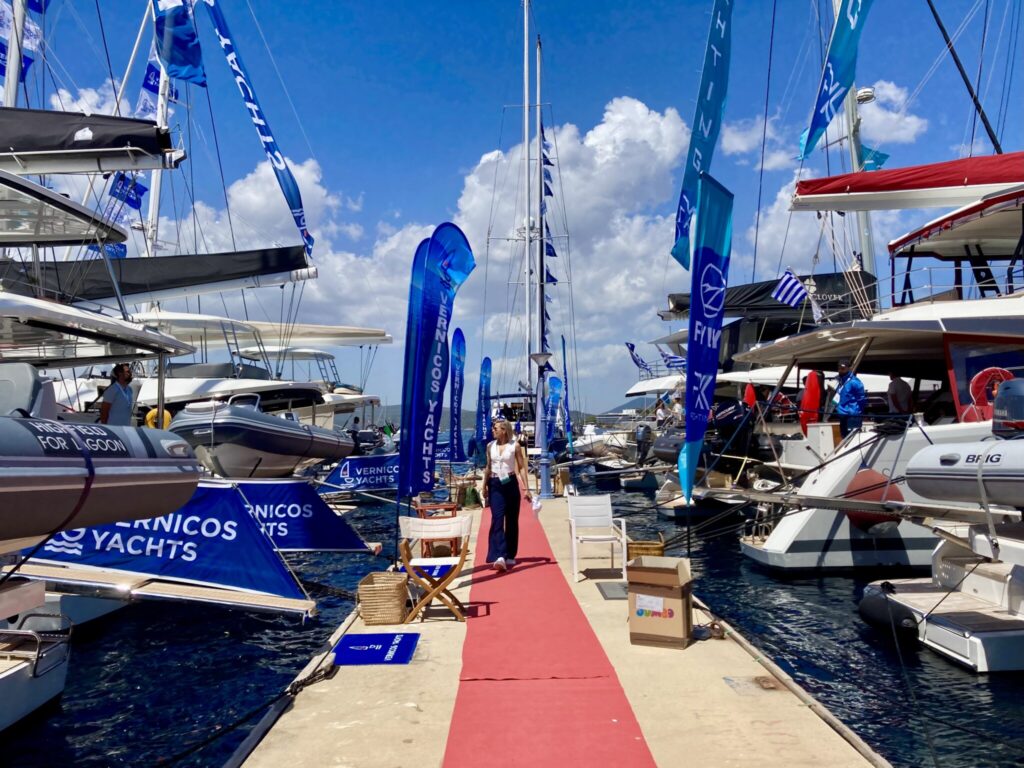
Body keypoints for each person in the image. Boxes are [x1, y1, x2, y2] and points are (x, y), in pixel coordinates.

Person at [481, 419, 531, 572]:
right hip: (495, 484)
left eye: (495, 428)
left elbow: (521, 467)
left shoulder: (514, 446)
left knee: (511, 520)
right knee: (497, 518)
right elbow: (488, 466)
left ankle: (510, 554)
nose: (493, 430)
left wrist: (526, 488)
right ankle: (500, 555)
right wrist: (484, 485)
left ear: (504, 430)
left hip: (510, 483)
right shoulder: (490, 446)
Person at [834, 359, 866, 437]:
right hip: (842, 415)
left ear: (849, 368)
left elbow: (861, 399)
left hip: (852, 415)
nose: (840, 370)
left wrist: (857, 412)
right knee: (844, 437)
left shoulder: (855, 382)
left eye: (843, 368)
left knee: (853, 438)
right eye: (839, 368)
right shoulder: (840, 381)